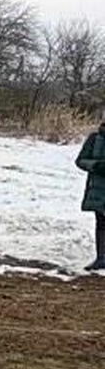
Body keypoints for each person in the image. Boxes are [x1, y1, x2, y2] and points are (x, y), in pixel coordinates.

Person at [76, 116, 105, 271]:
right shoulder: (94, 139)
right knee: (101, 224)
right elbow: (80, 161)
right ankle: (101, 259)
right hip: (98, 189)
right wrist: (96, 165)